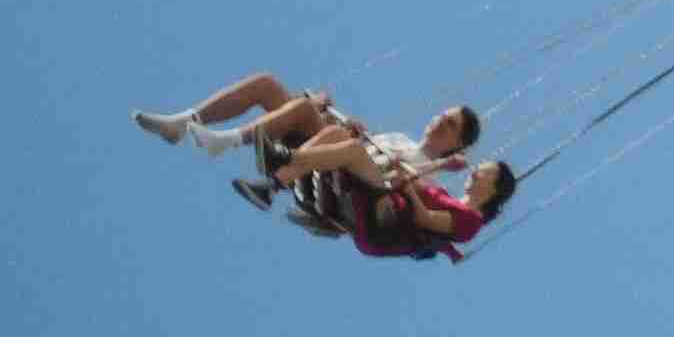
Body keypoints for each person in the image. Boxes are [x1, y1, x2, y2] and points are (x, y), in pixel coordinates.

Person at [140, 78, 517, 259]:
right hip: (338, 165)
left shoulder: (436, 179)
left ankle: (234, 145)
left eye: (448, 125)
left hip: (362, 193)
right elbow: (356, 148)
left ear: (458, 144)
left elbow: (408, 195)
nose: (438, 122)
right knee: (272, 87)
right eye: (442, 116)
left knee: (335, 132)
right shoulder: (400, 138)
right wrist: (334, 118)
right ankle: (185, 121)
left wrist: (351, 140)